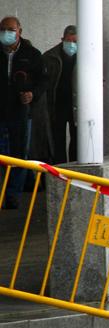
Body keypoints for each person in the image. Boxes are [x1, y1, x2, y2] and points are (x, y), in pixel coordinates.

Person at [0, 16, 48, 209]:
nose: (6, 33)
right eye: (3, 29)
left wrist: (32, 94)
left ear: (20, 31)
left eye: (11, 29)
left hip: (21, 113)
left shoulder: (32, 54)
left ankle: (13, 195)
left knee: (19, 155)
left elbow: (44, 80)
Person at [42, 25, 78, 164]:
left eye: (75, 42)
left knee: (77, 141)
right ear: (62, 39)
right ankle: (59, 172)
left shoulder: (87, 57)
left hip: (76, 105)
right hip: (57, 105)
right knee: (57, 141)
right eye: (69, 41)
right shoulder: (50, 57)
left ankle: (75, 171)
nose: (72, 45)